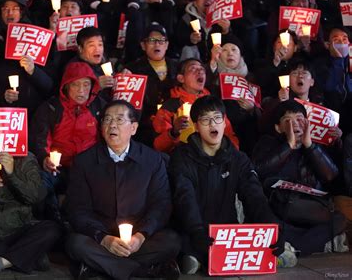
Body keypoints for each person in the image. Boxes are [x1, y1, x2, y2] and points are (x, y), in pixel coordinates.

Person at [168, 95, 293, 275]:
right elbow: (183, 197)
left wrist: (272, 227)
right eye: (205, 119)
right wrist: (196, 230)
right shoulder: (181, 156)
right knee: (177, 242)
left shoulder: (238, 158)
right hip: (193, 229)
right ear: (195, 125)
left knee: (263, 240)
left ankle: (204, 259)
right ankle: (193, 257)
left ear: (225, 122)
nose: (213, 124)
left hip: (226, 231)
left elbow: (254, 195)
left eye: (217, 118)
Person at [66, 100, 180, 280]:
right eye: (107, 120)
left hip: (139, 238)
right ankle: (141, 272)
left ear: (133, 128)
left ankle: (102, 267)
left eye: (119, 120)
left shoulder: (152, 160)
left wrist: (141, 236)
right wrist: (104, 238)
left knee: (171, 241)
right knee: (75, 244)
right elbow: (78, 209)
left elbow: (161, 204)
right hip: (101, 236)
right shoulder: (84, 162)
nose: (112, 125)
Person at [252, 100, 348, 254]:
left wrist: (310, 145)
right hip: (280, 206)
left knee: (340, 219)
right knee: (273, 218)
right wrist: (289, 145)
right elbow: (259, 169)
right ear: (278, 127)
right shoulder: (268, 142)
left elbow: (330, 175)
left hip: (310, 208)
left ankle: (293, 246)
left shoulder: (313, 145)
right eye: (288, 121)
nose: (295, 124)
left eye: (299, 120)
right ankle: (310, 244)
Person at [30, 61, 105, 222]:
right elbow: (41, 137)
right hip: (57, 167)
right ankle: (46, 222)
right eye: (75, 85)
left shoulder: (99, 107)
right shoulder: (51, 108)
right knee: (39, 188)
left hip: (88, 168)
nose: (81, 90)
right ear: (66, 86)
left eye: (86, 85)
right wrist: (44, 158)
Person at [153, 58, 238, 153]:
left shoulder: (212, 102)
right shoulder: (170, 106)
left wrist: (232, 154)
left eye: (202, 69)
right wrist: (174, 132)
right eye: (193, 69)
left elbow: (228, 133)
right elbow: (158, 146)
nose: (200, 71)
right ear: (181, 78)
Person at [125, 23, 178, 145]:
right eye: (152, 40)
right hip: (145, 128)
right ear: (143, 45)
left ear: (167, 45)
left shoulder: (178, 67)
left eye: (161, 40)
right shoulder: (132, 69)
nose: (157, 44)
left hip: (174, 123)